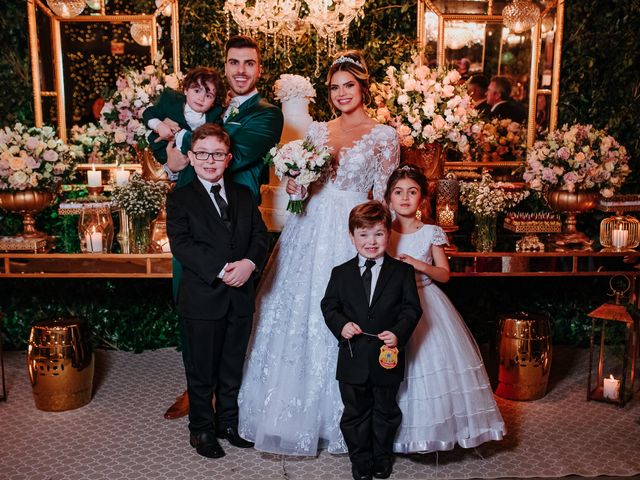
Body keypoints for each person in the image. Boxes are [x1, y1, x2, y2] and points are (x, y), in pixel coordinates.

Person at [238, 50, 400, 456]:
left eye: (349, 85)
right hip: (309, 227)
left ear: (363, 87)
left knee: (349, 311)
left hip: (353, 229)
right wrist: (296, 188)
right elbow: (302, 189)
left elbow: (384, 199)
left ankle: (347, 416)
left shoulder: (384, 135)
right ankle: (288, 413)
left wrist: (381, 245)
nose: (341, 93)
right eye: (334, 87)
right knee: (296, 309)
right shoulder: (316, 132)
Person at [163, 35, 284, 420]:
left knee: (232, 307)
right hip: (191, 210)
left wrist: (182, 139)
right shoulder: (215, 106)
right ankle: (199, 388)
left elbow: (235, 154)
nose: (241, 71)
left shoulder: (266, 112)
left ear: (259, 68)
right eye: (234, 63)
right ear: (226, 66)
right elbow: (181, 149)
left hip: (234, 215)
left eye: (249, 63)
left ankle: (222, 397)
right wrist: (172, 163)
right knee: (191, 296)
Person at [383, 165, 506, 454]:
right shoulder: (383, 232)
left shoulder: (431, 232)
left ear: (423, 199)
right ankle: (390, 431)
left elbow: (444, 274)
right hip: (393, 306)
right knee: (394, 364)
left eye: (412, 192)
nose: (404, 198)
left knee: (430, 364)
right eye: (398, 193)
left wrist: (417, 264)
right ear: (388, 199)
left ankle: (435, 432)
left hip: (428, 301)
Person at [166, 123, 269, 458]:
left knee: (231, 365)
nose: (210, 161)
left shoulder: (242, 194)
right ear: (192, 158)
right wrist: (223, 269)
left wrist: (249, 265)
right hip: (202, 298)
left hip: (239, 297)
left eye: (218, 154)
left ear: (228, 158)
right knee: (201, 369)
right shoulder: (180, 199)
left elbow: (259, 236)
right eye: (203, 154)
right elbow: (182, 245)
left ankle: (228, 423)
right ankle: (201, 429)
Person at [321, 201, 422, 480]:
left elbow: (411, 309)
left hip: (386, 357)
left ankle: (382, 457)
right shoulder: (340, 273)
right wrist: (341, 326)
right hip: (352, 356)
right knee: (354, 412)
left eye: (378, 233)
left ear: (389, 234)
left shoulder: (402, 272)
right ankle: (360, 459)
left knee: (386, 411)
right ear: (352, 236)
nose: (371, 241)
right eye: (363, 234)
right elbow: (329, 306)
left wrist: (399, 333)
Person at [142, 66, 225, 165]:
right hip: (163, 156)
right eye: (197, 91)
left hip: (195, 164)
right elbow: (149, 112)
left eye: (208, 96)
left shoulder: (215, 118)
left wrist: (179, 134)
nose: (201, 98)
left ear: (214, 102)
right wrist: (159, 125)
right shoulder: (171, 102)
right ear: (186, 89)